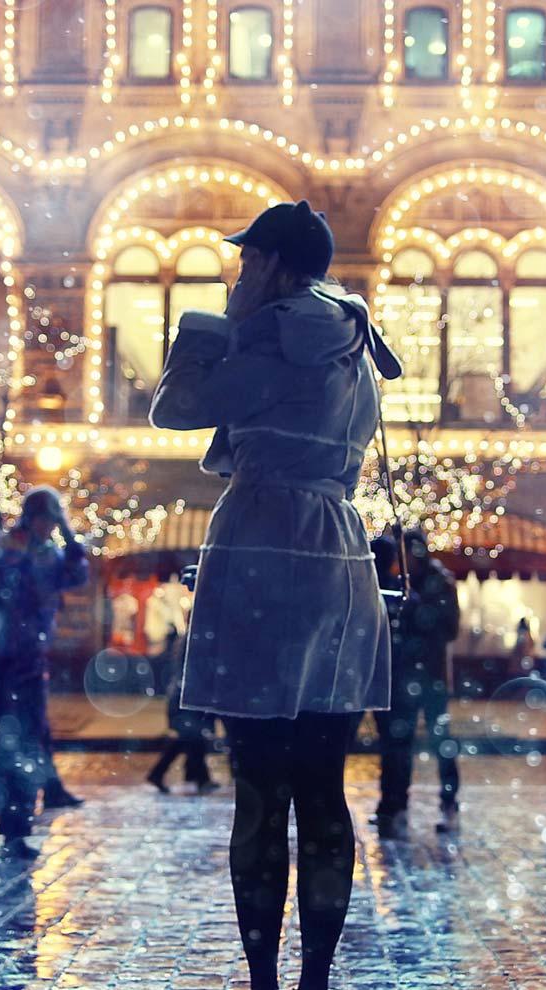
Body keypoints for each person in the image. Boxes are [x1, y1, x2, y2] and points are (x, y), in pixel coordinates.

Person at [150, 199, 398, 990]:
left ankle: (264, 978)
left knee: (258, 784)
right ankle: (316, 976)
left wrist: (203, 329)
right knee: (324, 786)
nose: (240, 274)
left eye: (249, 262)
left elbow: (177, 408)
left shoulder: (276, 332)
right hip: (336, 550)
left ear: (280, 267)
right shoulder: (355, 343)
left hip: (263, 547)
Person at [0, 486, 90, 859]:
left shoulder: (44, 550)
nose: (50, 528)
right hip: (3, 661)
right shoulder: (10, 549)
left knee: (23, 738)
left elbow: (75, 575)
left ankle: (11, 823)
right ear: (32, 517)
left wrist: (71, 537)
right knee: (7, 743)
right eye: (47, 520)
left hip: (26, 659)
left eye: (54, 522)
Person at [368, 529, 462, 838]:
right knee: (399, 744)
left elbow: (449, 629)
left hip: (432, 676)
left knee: (441, 742)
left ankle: (449, 804)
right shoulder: (400, 581)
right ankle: (396, 805)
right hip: (405, 677)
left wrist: (421, 610)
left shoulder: (440, 581)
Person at [146, 629, 218, 796]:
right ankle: (159, 773)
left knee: (191, 738)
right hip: (187, 696)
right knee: (189, 737)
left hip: (186, 695)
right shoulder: (197, 638)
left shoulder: (192, 637)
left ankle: (198, 778)